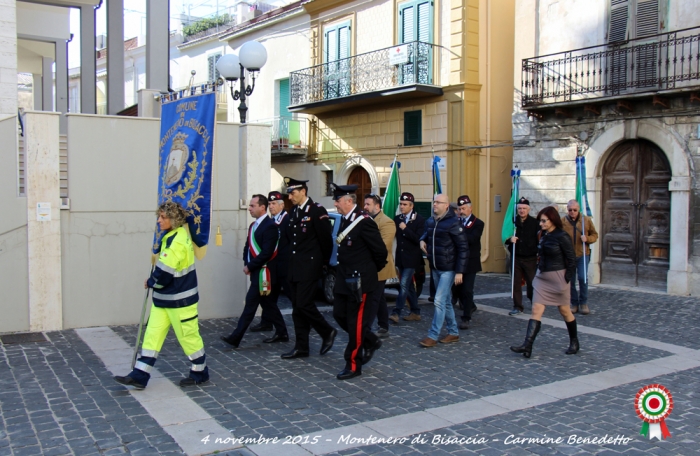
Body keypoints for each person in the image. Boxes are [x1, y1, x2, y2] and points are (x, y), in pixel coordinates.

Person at [114, 202, 209, 389]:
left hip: (181, 300)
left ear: (174, 220)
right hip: (165, 298)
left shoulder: (178, 240)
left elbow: (165, 272)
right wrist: (154, 282)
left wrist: (151, 282)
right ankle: (140, 374)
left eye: (163, 217)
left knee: (188, 337)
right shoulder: (171, 236)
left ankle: (200, 371)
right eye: (159, 216)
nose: (159, 220)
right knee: (152, 335)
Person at [332, 184, 387, 379]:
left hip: (359, 282)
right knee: (339, 315)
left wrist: (368, 274)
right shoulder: (346, 220)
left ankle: (353, 365)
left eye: (337, 200)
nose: (335, 204)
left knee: (356, 324)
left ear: (348, 201)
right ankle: (370, 339)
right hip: (343, 279)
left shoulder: (364, 222)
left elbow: (380, 252)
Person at [220, 195, 288, 348]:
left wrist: (250, 266)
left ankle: (235, 337)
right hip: (256, 272)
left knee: (250, 305)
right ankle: (282, 332)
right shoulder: (253, 226)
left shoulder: (270, 226)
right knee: (268, 303)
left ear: (262, 207)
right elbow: (247, 248)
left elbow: (267, 252)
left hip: (265, 273)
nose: (250, 208)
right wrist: (247, 263)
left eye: (252, 206)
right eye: (250, 206)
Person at [510, 206, 578, 358]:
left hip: (559, 277)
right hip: (542, 277)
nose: (540, 223)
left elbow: (572, 259)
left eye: (543, 220)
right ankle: (527, 345)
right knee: (536, 309)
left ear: (552, 220)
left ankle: (574, 341)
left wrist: (567, 279)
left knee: (565, 311)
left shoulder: (562, 236)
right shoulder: (542, 234)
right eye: (540, 220)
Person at [280, 177, 337, 359]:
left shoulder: (316, 210)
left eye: (293, 193)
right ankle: (301, 346)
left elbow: (326, 241)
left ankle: (327, 331)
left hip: (310, 267)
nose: (290, 197)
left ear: (303, 191)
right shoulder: (294, 212)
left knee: (304, 304)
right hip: (295, 267)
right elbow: (291, 240)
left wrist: (323, 264)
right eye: (289, 193)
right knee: (297, 308)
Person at [418, 194, 468, 347]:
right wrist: (421, 240)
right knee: (445, 301)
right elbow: (427, 234)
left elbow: (463, 248)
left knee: (439, 300)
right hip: (435, 267)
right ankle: (453, 332)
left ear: (446, 205)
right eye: (434, 202)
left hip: (449, 268)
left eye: (438, 202)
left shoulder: (454, 223)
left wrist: (459, 271)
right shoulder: (431, 221)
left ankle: (433, 335)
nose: (435, 205)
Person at [249, 191, 291, 332]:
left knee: (293, 298)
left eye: (274, 204)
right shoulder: (271, 221)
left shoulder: (287, 220)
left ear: (282, 205)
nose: (271, 206)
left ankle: (305, 320)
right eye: (270, 203)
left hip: (284, 267)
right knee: (268, 297)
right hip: (272, 267)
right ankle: (267, 322)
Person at [363, 193, 396, 338]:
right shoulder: (365, 220)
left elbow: (383, 246)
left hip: (380, 266)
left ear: (377, 206)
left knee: (373, 298)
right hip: (369, 266)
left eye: (368, 204)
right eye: (364, 204)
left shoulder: (386, 222)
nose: (365, 207)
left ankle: (366, 329)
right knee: (379, 297)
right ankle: (384, 325)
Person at [391, 192, 425, 323]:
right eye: (400, 204)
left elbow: (418, 239)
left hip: (412, 259)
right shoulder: (397, 219)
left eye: (405, 204)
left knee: (404, 284)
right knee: (409, 286)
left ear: (411, 206)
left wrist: (405, 229)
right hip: (401, 258)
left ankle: (396, 312)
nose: (402, 206)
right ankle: (415, 311)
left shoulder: (419, 220)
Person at [563, 199, 598, 315]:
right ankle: (574, 303)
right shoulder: (563, 221)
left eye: (574, 210)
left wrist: (587, 239)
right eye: (570, 210)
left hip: (583, 254)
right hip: (569, 256)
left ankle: (584, 302)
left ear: (578, 209)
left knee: (583, 278)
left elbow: (595, 235)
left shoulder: (586, 220)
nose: (572, 212)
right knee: (571, 281)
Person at [505, 197, 539, 316]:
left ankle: (535, 303)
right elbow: (505, 237)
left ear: (528, 209)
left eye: (524, 208)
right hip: (516, 257)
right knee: (516, 283)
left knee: (532, 284)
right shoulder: (513, 222)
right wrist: (510, 240)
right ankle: (517, 306)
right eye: (519, 208)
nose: (522, 210)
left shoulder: (535, 223)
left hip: (530, 258)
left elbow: (539, 239)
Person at [454, 195, 484, 330]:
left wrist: (459, 232)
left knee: (467, 289)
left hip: (471, 262)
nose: (461, 211)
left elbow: (472, 239)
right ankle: (470, 305)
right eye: (459, 208)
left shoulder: (478, 223)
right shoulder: (456, 221)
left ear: (470, 208)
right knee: (457, 289)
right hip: (458, 260)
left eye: (464, 208)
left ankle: (466, 317)